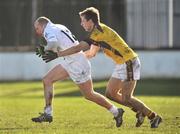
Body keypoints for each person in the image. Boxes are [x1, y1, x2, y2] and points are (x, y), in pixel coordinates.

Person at [42, 7, 162, 128]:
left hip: (129, 62)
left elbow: (80, 47)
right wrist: (76, 60)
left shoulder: (98, 32)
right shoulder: (98, 32)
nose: (81, 24)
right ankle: (139, 110)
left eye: (83, 21)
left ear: (90, 21)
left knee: (127, 97)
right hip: (122, 63)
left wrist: (58, 54)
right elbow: (91, 53)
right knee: (110, 93)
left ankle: (154, 117)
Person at [32, 16, 125, 127]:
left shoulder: (48, 30)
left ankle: (116, 111)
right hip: (71, 61)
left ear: (42, 25)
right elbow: (59, 43)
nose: (36, 31)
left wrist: (45, 49)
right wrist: (47, 49)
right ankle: (48, 113)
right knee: (47, 80)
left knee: (89, 94)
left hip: (77, 64)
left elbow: (53, 43)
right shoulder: (58, 26)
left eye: (36, 28)